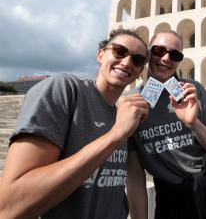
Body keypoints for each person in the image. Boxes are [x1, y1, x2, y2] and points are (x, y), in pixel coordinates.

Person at [0, 28, 149, 219]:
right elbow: (10, 205)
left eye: (137, 60)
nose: (127, 62)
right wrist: (116, 134)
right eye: (120, 51)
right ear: (101, 54)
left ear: (139, 73)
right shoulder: (66, 89)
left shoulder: (124, 114)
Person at [127, 31, 206, 219]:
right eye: (159, 51)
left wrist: (193, 123)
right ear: (149, 53)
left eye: (175, 55)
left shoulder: (192, 90)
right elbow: (134, 175)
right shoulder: (133, 103)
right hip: (169, 195)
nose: (166, 58)